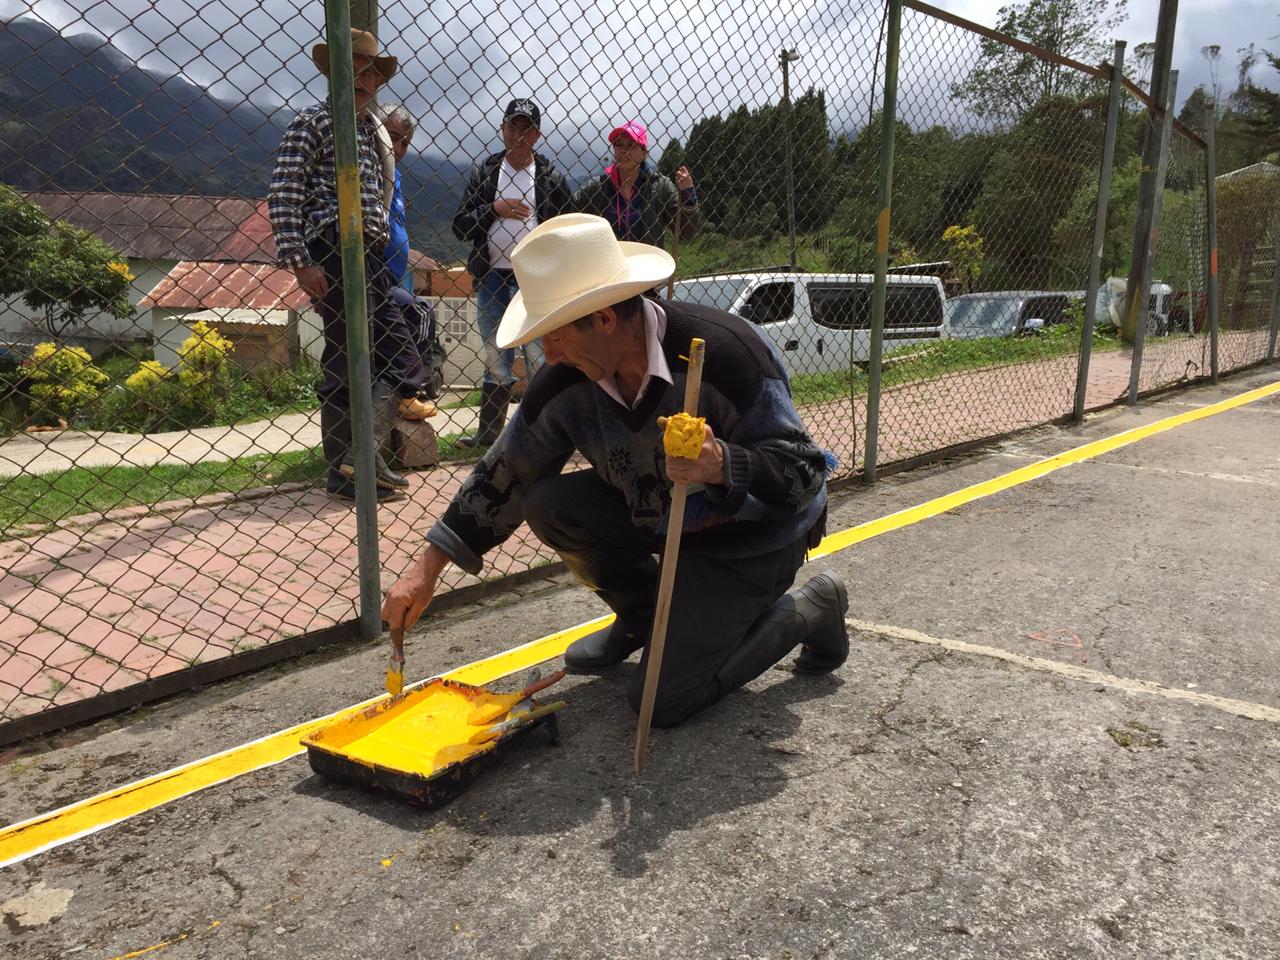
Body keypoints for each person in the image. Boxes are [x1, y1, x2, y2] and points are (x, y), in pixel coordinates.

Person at [383, 214, 848, 729]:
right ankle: (648, 616)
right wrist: (425, 570)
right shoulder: (565, 382)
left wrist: (722, 465)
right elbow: (505, 474)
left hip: (752, 538)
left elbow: (804, 475)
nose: (545, 354)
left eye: (553, 337)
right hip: (663, 521)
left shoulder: (726, 354)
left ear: (603, 319)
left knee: (662, 701)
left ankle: (812, 606)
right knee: (550, 503)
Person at [267, 29, 427, 501]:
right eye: (352, 68)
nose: (363, 78)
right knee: (353, 359)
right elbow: (285, 195)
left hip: (369, 256)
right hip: (333, 250)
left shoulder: (367, 131)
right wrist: (301, 264)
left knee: (392, 357)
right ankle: (350, 466)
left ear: (379, 81)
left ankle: (358, 459)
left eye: (371, 71)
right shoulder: (312, 123)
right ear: (331, 72)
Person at [451, 98, 572, 449]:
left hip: (534, 281)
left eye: (525, 128)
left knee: (538, 356)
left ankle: (540, 435)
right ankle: (489, 436)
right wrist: (494, 209)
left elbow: (567, 226)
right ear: (503, 128)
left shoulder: (550, 177)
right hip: (492, 276)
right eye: (512, 126)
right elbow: (460, 225)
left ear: (536, 134)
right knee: (495, 354)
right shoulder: (486, 173)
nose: (518, 134)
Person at [573, 121, 700, 250]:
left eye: (631, 145)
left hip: (647, 262)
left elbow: (686, 234)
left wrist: (688, 193)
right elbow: (569, 208)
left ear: (644, 152)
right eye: (618, 145)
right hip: (610, 264)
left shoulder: (660, 186)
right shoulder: (600, 185)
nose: (624, 151)